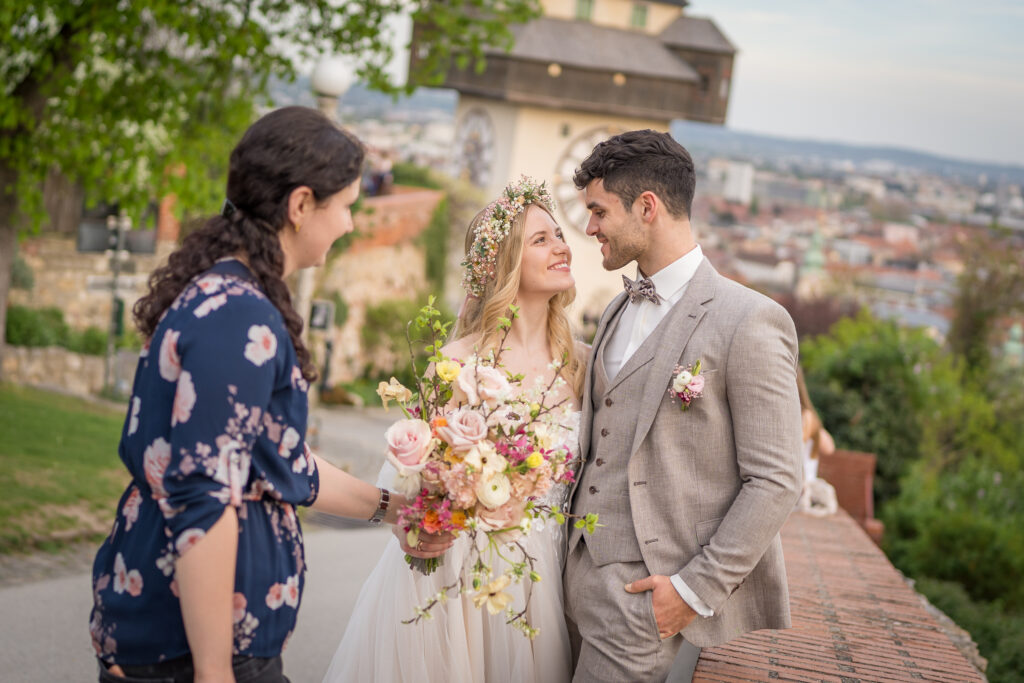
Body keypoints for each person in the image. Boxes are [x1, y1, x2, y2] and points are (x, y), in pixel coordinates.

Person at [88, 106, 439, 683]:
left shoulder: (234, 299)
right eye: (346, 205)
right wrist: (214, 671)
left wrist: (393, 509)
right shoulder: (239, 317)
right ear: (301, 205)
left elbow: (279, 461)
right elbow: (206, 497)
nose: (350, 224)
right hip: (192, 650)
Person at [323, 177, 587, 683]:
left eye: (558, 234)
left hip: (549, 575)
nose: (561, 246)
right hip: (466, 575)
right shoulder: (457, 365)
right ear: (506, 262)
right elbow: (411, 485)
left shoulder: (580, 365)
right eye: (541, 239)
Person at [564, 130, 803, 682]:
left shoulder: (749, 320)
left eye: (599, 211)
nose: (590, 227)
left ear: (646, 208)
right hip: (570, 581)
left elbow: (776, 479)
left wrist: (693, 591)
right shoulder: (617, 309)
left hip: (647, 599)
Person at [796, 367, 838, 516]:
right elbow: (829, 448)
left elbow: (828, 448)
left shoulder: (806, 416)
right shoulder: (808, 415)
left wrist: (815, 429)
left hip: (803, 487)